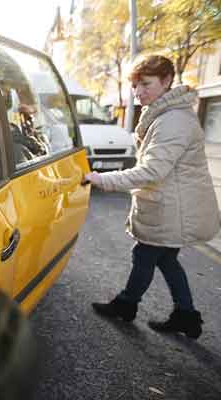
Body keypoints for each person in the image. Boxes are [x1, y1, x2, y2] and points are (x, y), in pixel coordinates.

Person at [84, 55, 220, 339]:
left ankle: (127, 304)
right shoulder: (167, 116)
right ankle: (185, 314)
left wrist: (101, 179)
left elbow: (152, 171)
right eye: (135, 86)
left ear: (167, 81)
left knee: (145, 255)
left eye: (145, 84)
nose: (138, 92)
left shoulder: (173, 121)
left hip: (173, 208)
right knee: (166, 260)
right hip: (172, 204)